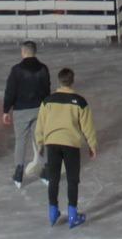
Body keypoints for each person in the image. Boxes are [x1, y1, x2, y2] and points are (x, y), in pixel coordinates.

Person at [34, 66, 97, 228]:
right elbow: (87, 127)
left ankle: (53, 212)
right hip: (71, 145)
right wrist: (92, 145)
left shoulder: (47, 101)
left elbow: (40, 124)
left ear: (59, 81)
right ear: (72, 81)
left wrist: (40, 142)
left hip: (52, 144)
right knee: (72, 180)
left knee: (53, 178)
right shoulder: (80, 102)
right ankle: (72, 215)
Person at [1, 41, 52, 188]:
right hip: (39, 108)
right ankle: (47, 170)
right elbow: (46, 89)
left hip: (21, 110)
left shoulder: (16, 70)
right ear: (34, 52)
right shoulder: (43, 69)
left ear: (23, 52)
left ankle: (18, 172)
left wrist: (6, 110)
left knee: (20, 141)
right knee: (40, 140)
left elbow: (10, 91)